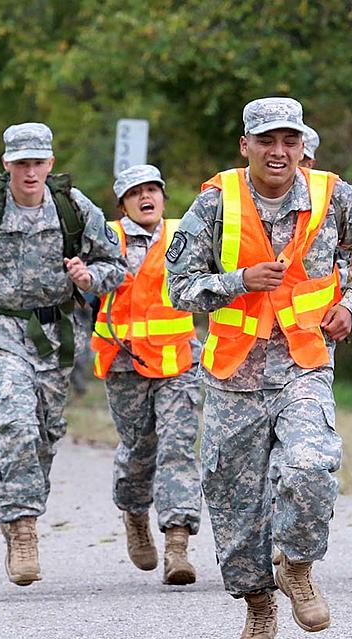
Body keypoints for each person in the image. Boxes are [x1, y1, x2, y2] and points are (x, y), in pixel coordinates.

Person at [165, 97, 352, 639]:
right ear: (246, 146)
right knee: (234, 503)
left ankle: (297, 564)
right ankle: (258, 605)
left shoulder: (336, 197)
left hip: (303, 362)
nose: (279, 151)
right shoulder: (215, 205)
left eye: (290, 141)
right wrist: (238, 279)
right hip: (233, 374)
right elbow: (179, 286)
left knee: (311, 466)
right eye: (267, 140)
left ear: (303, 146)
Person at [0, 122, 125, 586]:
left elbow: (117, 264)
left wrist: (90, 279)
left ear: (50, 164)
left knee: (45, 434)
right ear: (8, 164)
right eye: (21, 163)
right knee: (14, 417)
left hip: (58, 335)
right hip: (5, 327)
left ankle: (26, 510)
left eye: (38, 162)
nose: (30, 172)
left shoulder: (74, 208)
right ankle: (22, 527)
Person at [90, 164, 202, 585]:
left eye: (153, 189)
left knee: (178, 445)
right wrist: (86, 278)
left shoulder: (183, 233)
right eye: (136, 192)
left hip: (178, 361)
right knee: (140, 448)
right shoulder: (107, 238)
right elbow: (94, 278)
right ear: (123, 204)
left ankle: (178, 544)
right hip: (124, 362)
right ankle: (134, 511)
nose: (146, 197)